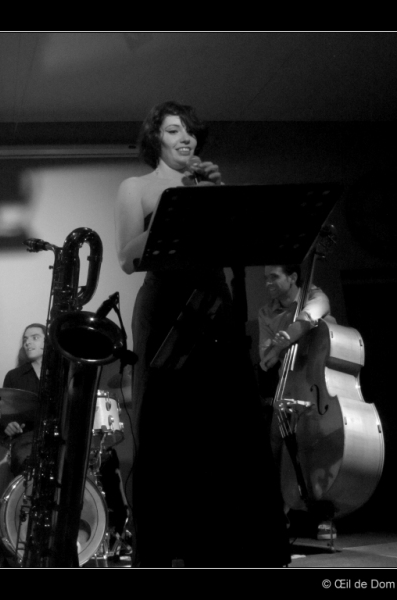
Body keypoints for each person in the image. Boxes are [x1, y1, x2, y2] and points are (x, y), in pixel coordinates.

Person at [115, 101, 290, 567]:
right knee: (167, 424)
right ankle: (171, 550)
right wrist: (177, 208)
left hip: (215, 302)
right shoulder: (136, 187)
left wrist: (216, 195)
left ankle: (238, 547)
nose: (186, 138)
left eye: (190, 131)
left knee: (230, 421)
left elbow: (240, 244)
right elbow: (128, 257)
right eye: (174, 130)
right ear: (156, 138)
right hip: (165, 305)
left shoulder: (209, 185)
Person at [257, 264, 336, 541]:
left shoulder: (316, 296)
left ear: (292, 277)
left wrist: (286, 338)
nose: (268, 283)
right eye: (265, 278)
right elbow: (265, 360)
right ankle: (278, 518)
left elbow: (309, 317)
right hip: (288, 386)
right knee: (276, 449)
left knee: (322, 447)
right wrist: (275, 349)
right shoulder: (266, 313)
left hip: (317, 386)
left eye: (274, 277)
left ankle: (326, 514)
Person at [0, 323, 45, 476]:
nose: (27, 342)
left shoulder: (63, 374)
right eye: (25, 340)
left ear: (48, 342)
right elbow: (3, 410)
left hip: (59, 438)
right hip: (27, 439)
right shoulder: (14, 376)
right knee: (27, 461)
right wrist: (8, 425)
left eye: (35, 337)